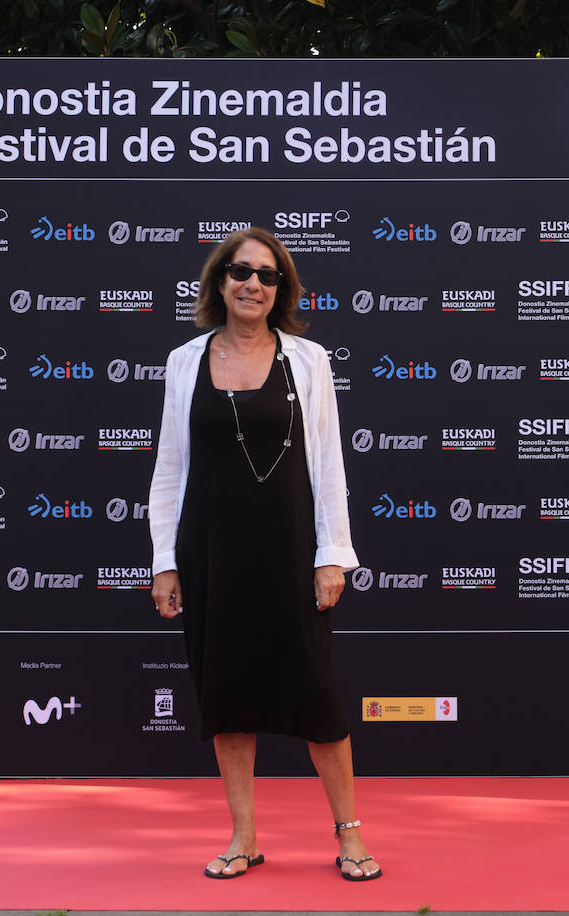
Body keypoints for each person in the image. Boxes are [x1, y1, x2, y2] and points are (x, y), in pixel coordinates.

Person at [149, 228, 379, 882]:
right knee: (227, 695)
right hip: (211, 552)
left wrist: (332, 553)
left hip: (289, 548)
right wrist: (165, 559)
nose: (254, 283)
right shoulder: (185, 360)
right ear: (219, 280)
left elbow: (329, 464)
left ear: (282, 289)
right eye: (241, 271)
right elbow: (170, 468)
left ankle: (351, 836)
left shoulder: (308, 360)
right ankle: (243, 836)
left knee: (318, 695)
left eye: (268, 275)